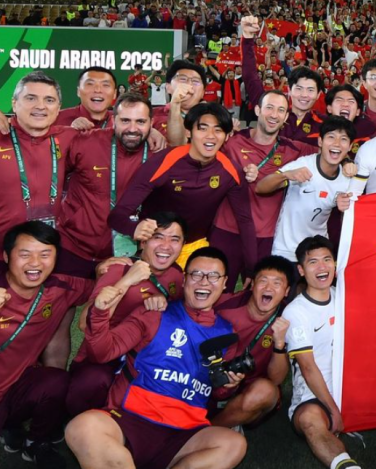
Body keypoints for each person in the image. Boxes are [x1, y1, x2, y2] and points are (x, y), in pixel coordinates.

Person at [65, 247, 247, 469]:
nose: (204, 282)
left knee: (234, 445)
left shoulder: (227, 334)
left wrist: (230, 385)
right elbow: (102, 352)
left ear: (224, 284)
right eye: (196, 274)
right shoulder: (154, 312)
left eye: (213, 276)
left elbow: (218, 392)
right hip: (132, 421)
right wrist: (100, 313)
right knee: (80, 428)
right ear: (184, 280)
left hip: (184, 434)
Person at [284, 236, 376, 469]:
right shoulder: (296, 311)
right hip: (316, 393)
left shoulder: (345, 296)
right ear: (301, 270)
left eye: (327, 259)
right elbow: (308, 367)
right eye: (313, 262)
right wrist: (332, 409)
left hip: (353, 384)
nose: (322, 267)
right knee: (310, 421)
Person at [108, 102, 258, 275]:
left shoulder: (231, 171)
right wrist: (134, 228)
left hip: (194, 248)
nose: (210, 136)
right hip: (156, 248)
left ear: (226, 136)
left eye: (218, 130)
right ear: (188, 132)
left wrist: (252, 269)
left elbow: (245, 221)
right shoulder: (162, 162)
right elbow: (117, 216)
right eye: (202, 128)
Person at [66, 212, 186, 418]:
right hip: (104, 353)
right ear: (143, 242)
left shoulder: (176, 275)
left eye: (174, 239)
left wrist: (163, 303)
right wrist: (127, 281)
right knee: (93, 381)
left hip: (144, 356)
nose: (166, 246)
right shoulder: (119, 269)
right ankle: (73, 420)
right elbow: (84, 323)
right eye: (158, 237)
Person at [0, 71, 81, 369]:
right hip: (3, 253)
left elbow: (119, 134)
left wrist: (155, 132)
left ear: (59, 107)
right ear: (14, 103)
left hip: (45, 253)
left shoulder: (68, 137)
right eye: (31, 98)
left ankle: (50, 386)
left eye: (49, 100)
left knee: (55, 323)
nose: (40, 106)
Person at [0, 222, 92, 469]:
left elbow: (104, 284)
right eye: (25, 254)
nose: (35, 263)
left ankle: (35, 442)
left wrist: (109, 270)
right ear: (6, 256)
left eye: (44, 254)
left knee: (56, 381)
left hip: (14, 391)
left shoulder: (59, 288)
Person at [209, 90, 314, 289]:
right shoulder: (231, 141)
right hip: (227, 230)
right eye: (269, 108)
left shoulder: (294, 149)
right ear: (257, 110)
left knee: (257, 294)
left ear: (286, 117)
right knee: (216, 289)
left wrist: (347, 163)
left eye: (281, 110)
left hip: (264, 235)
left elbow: (329, 152)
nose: (274, 115)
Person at [57, 92, 158, 279]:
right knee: (64, 295)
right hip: (74, 245)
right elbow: (52, 172)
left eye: (141, 122)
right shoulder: (86, 142)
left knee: (110, 296)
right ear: (113, 120)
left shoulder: (158, 152)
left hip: (125, 252)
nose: (132, 129)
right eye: (125, 120)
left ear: (151, 123)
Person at [208, 256, 293, 429]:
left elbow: (276, 379)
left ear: (286, 291)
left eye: (277, 283)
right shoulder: (225, 306)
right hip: (214, 380)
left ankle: (209, 431)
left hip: (252, 388)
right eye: (263, 281)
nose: (269, 288)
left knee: (266, 391)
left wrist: (279, 344)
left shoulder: (288, 318)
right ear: (252, 284)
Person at [259, 116, 356, 262]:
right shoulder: (303, 165)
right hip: (286, 250)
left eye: (343, 139)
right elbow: (261, 187)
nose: (336, 143)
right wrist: (286, 175)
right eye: (331, 137)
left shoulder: (348, 178)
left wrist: (345, 208)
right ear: (320, 141)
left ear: (349, 146)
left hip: (318, 254)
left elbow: (352, 218)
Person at [240, 16, 324, 143]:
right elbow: (250, 76)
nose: (304, 95)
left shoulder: (325, 125)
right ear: (289, 90)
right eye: (299, 88)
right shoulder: (272, 110)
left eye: (310, 90)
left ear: (318, 95)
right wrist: (247, 38)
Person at [153, 60, 208, 145]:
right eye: (182, 79)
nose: (189, 84)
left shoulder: (215, 119)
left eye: (195, 81)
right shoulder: (151, 116)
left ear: (203, 92)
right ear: (168, 87)